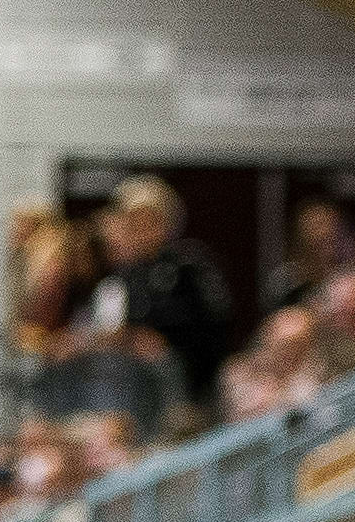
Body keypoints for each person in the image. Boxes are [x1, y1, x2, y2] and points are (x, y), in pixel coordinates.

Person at [74, 176, 236, 419]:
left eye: (149, 221)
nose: (141, 231)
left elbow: (215, 320)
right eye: (133, 222)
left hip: (188, 375)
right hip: (132, 378)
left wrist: (164, 340)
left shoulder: (189, 265)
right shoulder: (119, 276)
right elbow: (107, 328)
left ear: (167, 223)